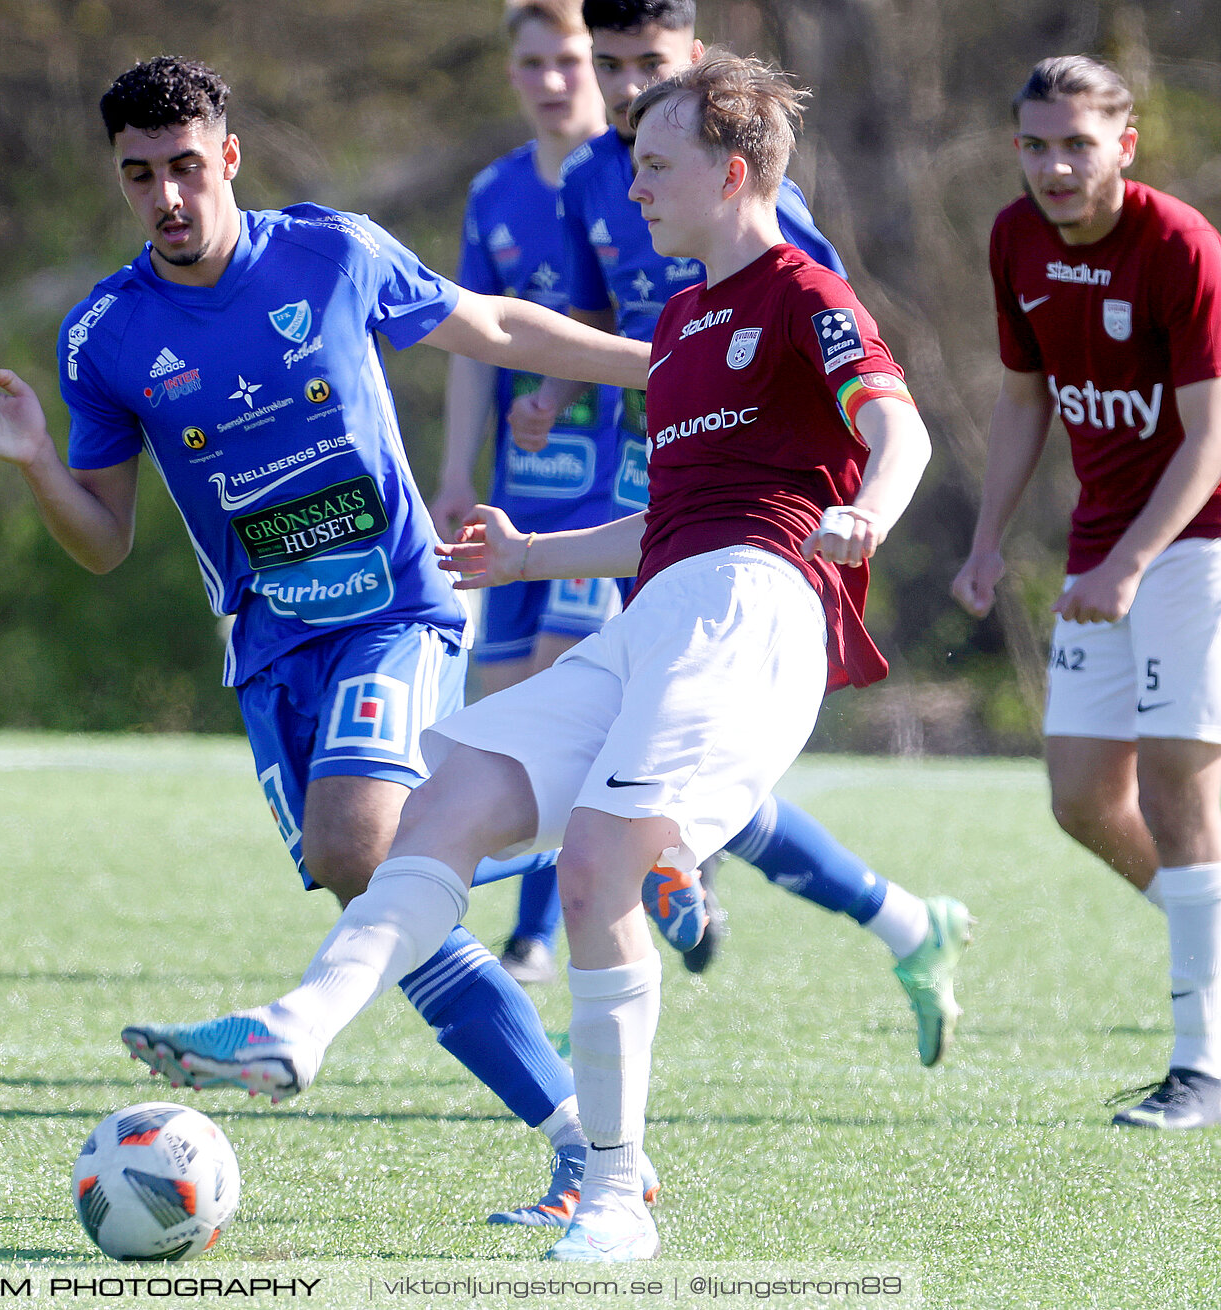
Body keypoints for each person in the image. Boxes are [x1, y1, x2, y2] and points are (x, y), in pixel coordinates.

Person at [126, 53, 935, 1261]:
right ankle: (296, 1026)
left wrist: (870, 507)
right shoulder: (683, 318)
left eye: (653, 167)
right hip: (665, 601)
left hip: (757, 607)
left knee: (603, 861)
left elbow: (899, 425)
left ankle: (613, 1192)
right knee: (444, 806)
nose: (634, 190)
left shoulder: (801, 288)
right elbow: (670, 520)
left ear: (729, 170)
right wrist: (530, 553)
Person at [0, 56, 664, 1222]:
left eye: (186, 166)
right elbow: (103, 540)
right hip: (273, 651)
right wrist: (34, 459)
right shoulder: (107, 336)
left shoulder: (331, 252)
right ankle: (586, 1144)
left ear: (228, 156)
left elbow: (486, 321)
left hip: (396, 607)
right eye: (141, 177)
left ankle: (573, 860)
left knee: (356, 837)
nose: (168, 197)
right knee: (374, 886)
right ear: (120, 181)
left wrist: (655, 360)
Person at [508, 0, 970, 1058]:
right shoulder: (598, 173)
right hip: (656, 469)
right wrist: (539, 381)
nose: (625, 89)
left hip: (751, 503)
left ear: (696, 68)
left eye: (649, 66)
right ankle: (890, 914)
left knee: (639, 758)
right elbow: (593, 324)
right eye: (608, 64)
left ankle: (614, 890)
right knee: (619, 737)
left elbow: (828, 346)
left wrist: (860, 500)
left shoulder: (759, 206)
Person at [952, 56, 1221, 1131]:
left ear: (1126, 143)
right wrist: (985, 540)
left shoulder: (1180, 246)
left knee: (1175, 786)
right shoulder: (1015, 238)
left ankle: (1201, 1063)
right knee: (1078, 796)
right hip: (1100, 548)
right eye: (1035, 144)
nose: (1055, 166)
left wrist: (1131, 563)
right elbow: (1025, 402)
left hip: (1195, 538)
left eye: (1076, 143)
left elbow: (1210, 440)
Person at [431, 0, 635, 986]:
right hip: (516, 496)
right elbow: (474, 344)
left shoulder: (642, 174)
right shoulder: (493, 194)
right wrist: (456, 472)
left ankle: (537, 933)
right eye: (535, 63)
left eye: (571, 60)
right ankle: (671, 864)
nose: (555, 80)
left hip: (612, 493)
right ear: (510, 72)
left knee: (566, 695)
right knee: (503, 712)